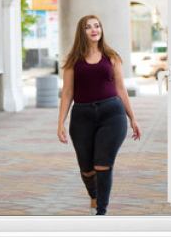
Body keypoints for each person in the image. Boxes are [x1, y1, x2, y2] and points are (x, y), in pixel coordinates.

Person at [57, 14, 141, 216]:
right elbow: (67, 93)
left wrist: (133, 118)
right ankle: (94, 196)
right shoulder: (73, 61)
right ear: (82, 32)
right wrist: (60, 123)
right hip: (82, 117)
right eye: (88, 27)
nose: (94, 29)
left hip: (112, 114)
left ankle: (101, 212)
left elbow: (121, 89)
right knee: (87, 169)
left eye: (97, 26)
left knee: (103, 164)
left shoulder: (111, 57)